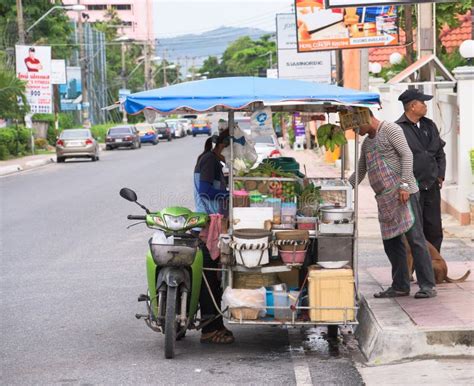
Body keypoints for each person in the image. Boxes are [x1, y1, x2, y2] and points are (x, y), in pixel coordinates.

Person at [349, 111, 437, 299]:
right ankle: (400, 286)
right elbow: (361, 170)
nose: (357, 131)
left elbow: (407, 155)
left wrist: (404, 185)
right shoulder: (366, 143)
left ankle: (428, 286)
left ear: (366, 117)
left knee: (415, 240)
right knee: (391, 243)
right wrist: (342, 188)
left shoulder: (390, 129)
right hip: (385, 200)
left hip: (404, 194)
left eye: (357, 126)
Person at [193, 129, 234, 343]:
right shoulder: (209, 161)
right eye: (230, 149)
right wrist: (230, 195)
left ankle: (217, 324)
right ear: (222, 146)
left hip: (213, 223)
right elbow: (205, 191)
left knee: (216, 279)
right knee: (208, 278)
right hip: (207, 225)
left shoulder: (214, 162)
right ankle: (209, 330)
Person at [395, 89, 446, 252]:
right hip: (411, 189)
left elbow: (440, 153)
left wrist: (440, 176)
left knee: (434, 230)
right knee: (413, 231)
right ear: (412, 106)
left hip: (431, 186)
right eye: (422, 103)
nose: (425, 106)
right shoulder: (397, 129)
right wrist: (401, 185)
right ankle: (410, 271)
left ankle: (432, 269)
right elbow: (395, 160)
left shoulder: (429, 125)